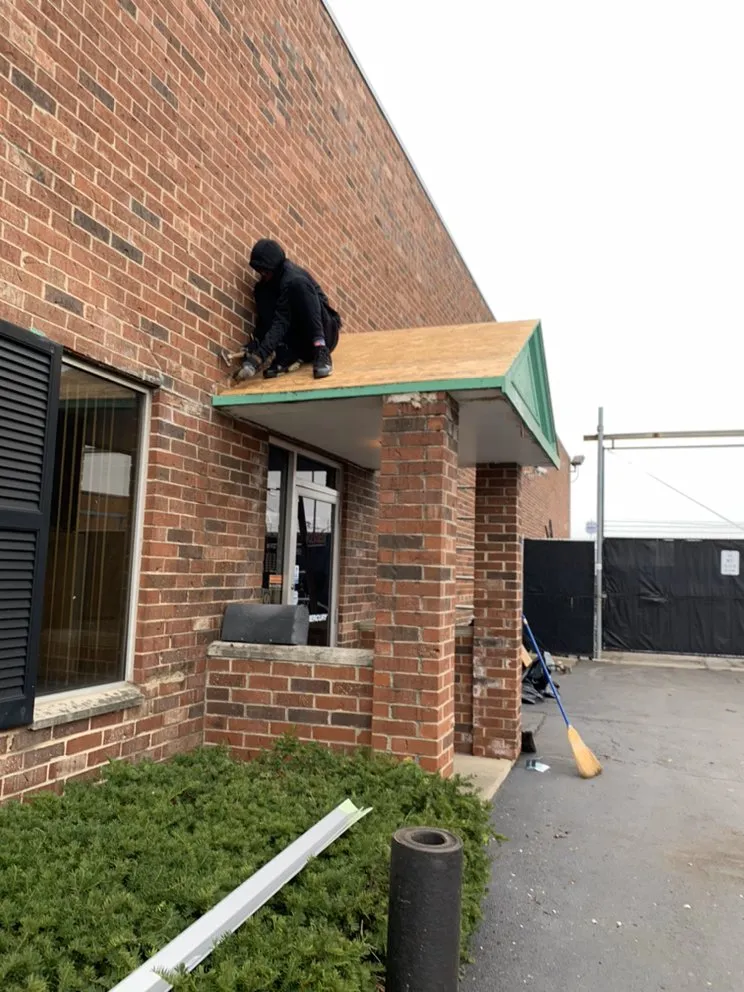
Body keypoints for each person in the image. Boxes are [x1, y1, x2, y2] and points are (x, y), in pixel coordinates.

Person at [234, 239, 341, 381]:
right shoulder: (264, 288)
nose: (263, 274)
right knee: (262, 292)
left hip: (324, 332)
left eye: (265, 271)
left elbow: (283, 320)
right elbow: (267, 322)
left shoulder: (293, 277)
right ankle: (287, 355)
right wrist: (255, 347)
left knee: (298, 285)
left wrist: (259, 358)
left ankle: (321, 351)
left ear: (275, 267)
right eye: (260, 271)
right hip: (299, 344)